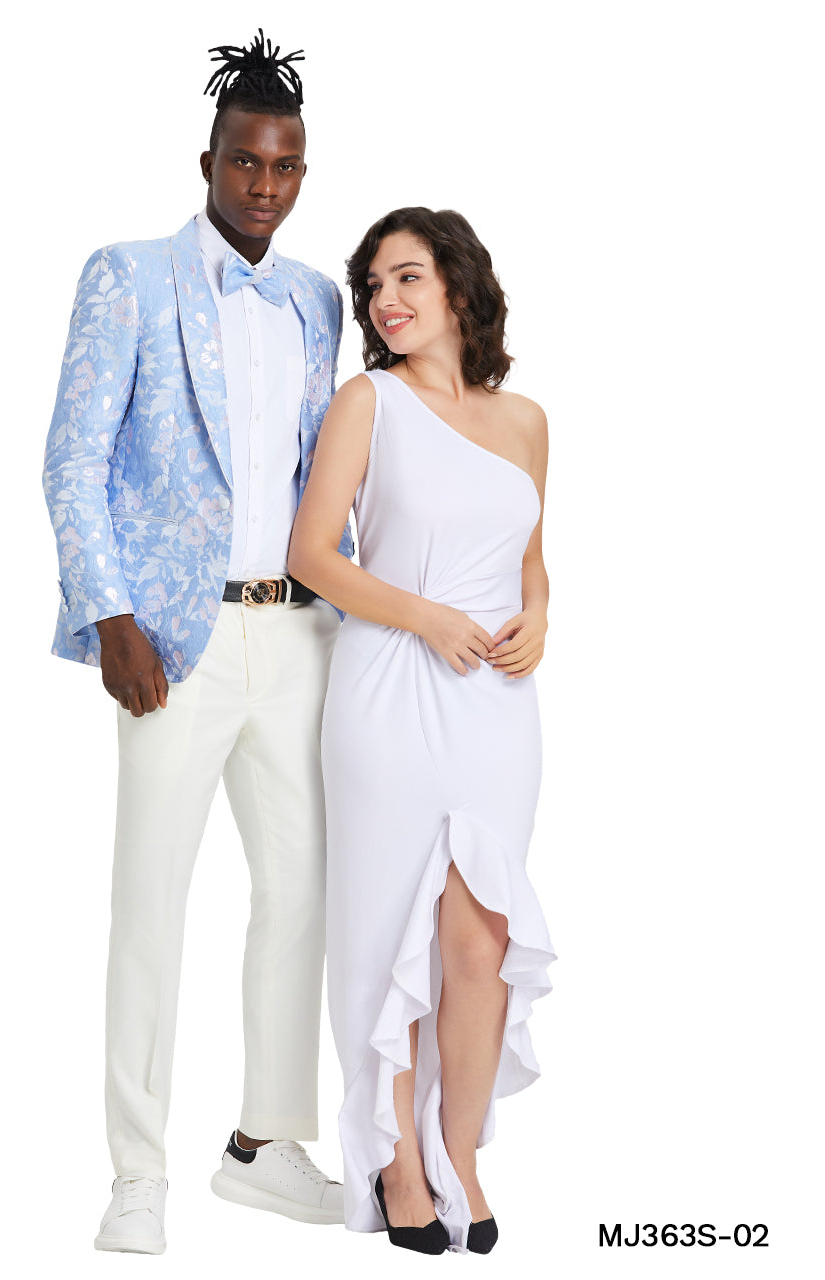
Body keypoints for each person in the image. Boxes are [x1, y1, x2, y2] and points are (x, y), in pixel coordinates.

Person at [42, 31, 351, 1255]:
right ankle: (136, 1170)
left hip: (300, 634)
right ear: (208, 160)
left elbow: (327, 471)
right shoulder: (128, 275)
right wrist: (110, 614)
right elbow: (73, 458)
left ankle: (263, 1144)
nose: (263, 185)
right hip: (174, 637)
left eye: (284, 166)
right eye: (244, 162)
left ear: (301, 170)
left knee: (300, 889)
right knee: (151, 900)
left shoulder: (318, 298)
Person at [288, 207, 556, 1255]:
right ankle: (396, 1160)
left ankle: (460, 1153)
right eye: (372, 285)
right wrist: (427, 616)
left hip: (496, 704)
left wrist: (539, 617)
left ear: (457, 284)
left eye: (405, 277)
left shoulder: (525, 419)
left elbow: (531, 558)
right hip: (391, 686)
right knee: (387, 917)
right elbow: (314, 553)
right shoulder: (369, 402)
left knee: (480, 937)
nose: (385, 300)